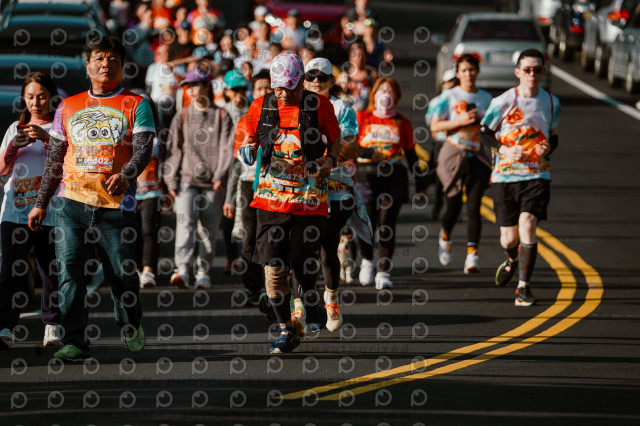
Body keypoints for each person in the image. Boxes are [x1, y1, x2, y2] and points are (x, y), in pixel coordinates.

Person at [27, 37, 155, 361]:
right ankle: (74, 340)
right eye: (99, 58)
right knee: (69, 273)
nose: (105, 64)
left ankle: (130, 320)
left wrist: (126, 174)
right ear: (88, 67)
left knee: (122, 273)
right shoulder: (67, 106)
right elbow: (55, 159)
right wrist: (41, 202)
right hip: (70, 203)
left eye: (112, 59)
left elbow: (143, 150)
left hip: (116, 204)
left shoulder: (136, 104)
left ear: (122, 65)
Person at [237, 52, 341, 353]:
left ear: (301, 82)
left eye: (289, 88)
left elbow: (336, 140)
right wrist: (247, 149)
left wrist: (330, 160)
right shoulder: (260, 106)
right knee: (273, 271)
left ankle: (311, 297)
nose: (282, 94)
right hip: (271, 200)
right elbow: (247, 139)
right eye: (278, 88)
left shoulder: (319, 105)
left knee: (301, 261)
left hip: (310, 199)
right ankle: (286, 329)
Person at [479, 49, 560, 306]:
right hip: (504, 176)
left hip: (537, 174)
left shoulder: (551, 102)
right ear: (518, 72)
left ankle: (523, 288)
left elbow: (553, 137)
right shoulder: (503, 101)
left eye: (537, 69)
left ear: (543, 72)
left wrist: (548, 148)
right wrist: (504, 149)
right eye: (527, 70)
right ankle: (512, 258)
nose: (532, 74)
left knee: (528, 224)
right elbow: (483, 132)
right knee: (509, 238)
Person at [304, 57, 371, 332]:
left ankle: (331, 300)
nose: (316, 82)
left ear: (331, 81)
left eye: (322, 77)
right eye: (310, 77)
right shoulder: (295, 106)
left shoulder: (343, 108)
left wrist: (327, 139)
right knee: (299, 249)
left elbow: (351, 150)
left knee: (326, 246)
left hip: (336, 185)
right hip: (301, 185)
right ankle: (300, 307)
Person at [0, 72, 62, 349]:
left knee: (50, 269)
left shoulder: (61, 127)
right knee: (11, 269)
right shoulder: (16, 127)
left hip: (51, 210)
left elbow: (70, 163)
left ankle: (53, 325)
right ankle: (4, 326)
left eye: (42, 97)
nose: (36, 103)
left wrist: (48, 139)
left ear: (52, 98)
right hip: (15, 211)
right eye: (30, 97)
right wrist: (14, 145)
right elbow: (2, 169)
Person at [163, 67, 235, 289]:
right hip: (186, 180)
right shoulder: (182, 115)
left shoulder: (222, 115)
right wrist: (170, 179)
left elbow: (226, 148)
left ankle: (203, 272)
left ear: (207, 87)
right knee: (185, 225)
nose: (192, 90)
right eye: (188, 86)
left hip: (213, 183)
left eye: (196, 85)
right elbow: (173, 149)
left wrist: (220, 174)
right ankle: (182, 270)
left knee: (208, 230)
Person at [355, 77, 426, 289]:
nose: (385, 94)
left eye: (390, 91)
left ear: (396, 96)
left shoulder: (402, 122)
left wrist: (421, 184)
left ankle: (383, 272)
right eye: (381, 90)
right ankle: (367, 260)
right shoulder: (362, 117)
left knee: (387, 225)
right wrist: (370, 153)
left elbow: (412, 155)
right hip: (366, 177)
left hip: (394, 177)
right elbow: (348, 146)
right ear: (373, 94)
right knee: (367, 223)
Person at [431, 54, 493, 274]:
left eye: (472, 70)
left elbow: (494, 127)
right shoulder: (449, 96)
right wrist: (459, 121)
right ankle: (445, 236)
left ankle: (472, 256)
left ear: (478, 71)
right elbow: (435, 126)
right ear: (458, 73)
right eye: (464, 70)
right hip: (453, 154)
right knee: (454, 205)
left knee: (474, 205)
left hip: (477, 154)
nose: (468, 74)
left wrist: (481, 123)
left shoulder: (486, 98)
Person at [225, 70, 272, 307]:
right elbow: (237, 163)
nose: (264, 91)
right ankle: (254, 288)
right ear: (253, 91)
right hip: (249, 183)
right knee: (250, 236)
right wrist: (229, 198)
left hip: (276, 183)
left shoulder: (287, 118)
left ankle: (275, 288)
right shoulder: (246, 120)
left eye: (268, 87)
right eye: (260, 87)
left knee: (274, 235)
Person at [424, 68, 458, 221]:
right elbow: (430, 121)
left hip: (457, 144)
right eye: (449, 81)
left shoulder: (462, 101)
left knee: (457, 177)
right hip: (440, 142)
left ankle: (454, 209)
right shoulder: (437, 101)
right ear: (443, 83)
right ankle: (438, 205)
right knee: (439, 176)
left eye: (455, 81)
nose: (452, 84)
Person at [336, 41, 378, 112]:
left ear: (366, 57)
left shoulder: (372, 73)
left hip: (367, 113)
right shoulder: (344, 76)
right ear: (350, 57)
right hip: (348, 114)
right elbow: (335, 97)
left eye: (362, 55)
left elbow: (378, 93)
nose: (359, 58)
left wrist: (370, 92)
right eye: (356, 55)